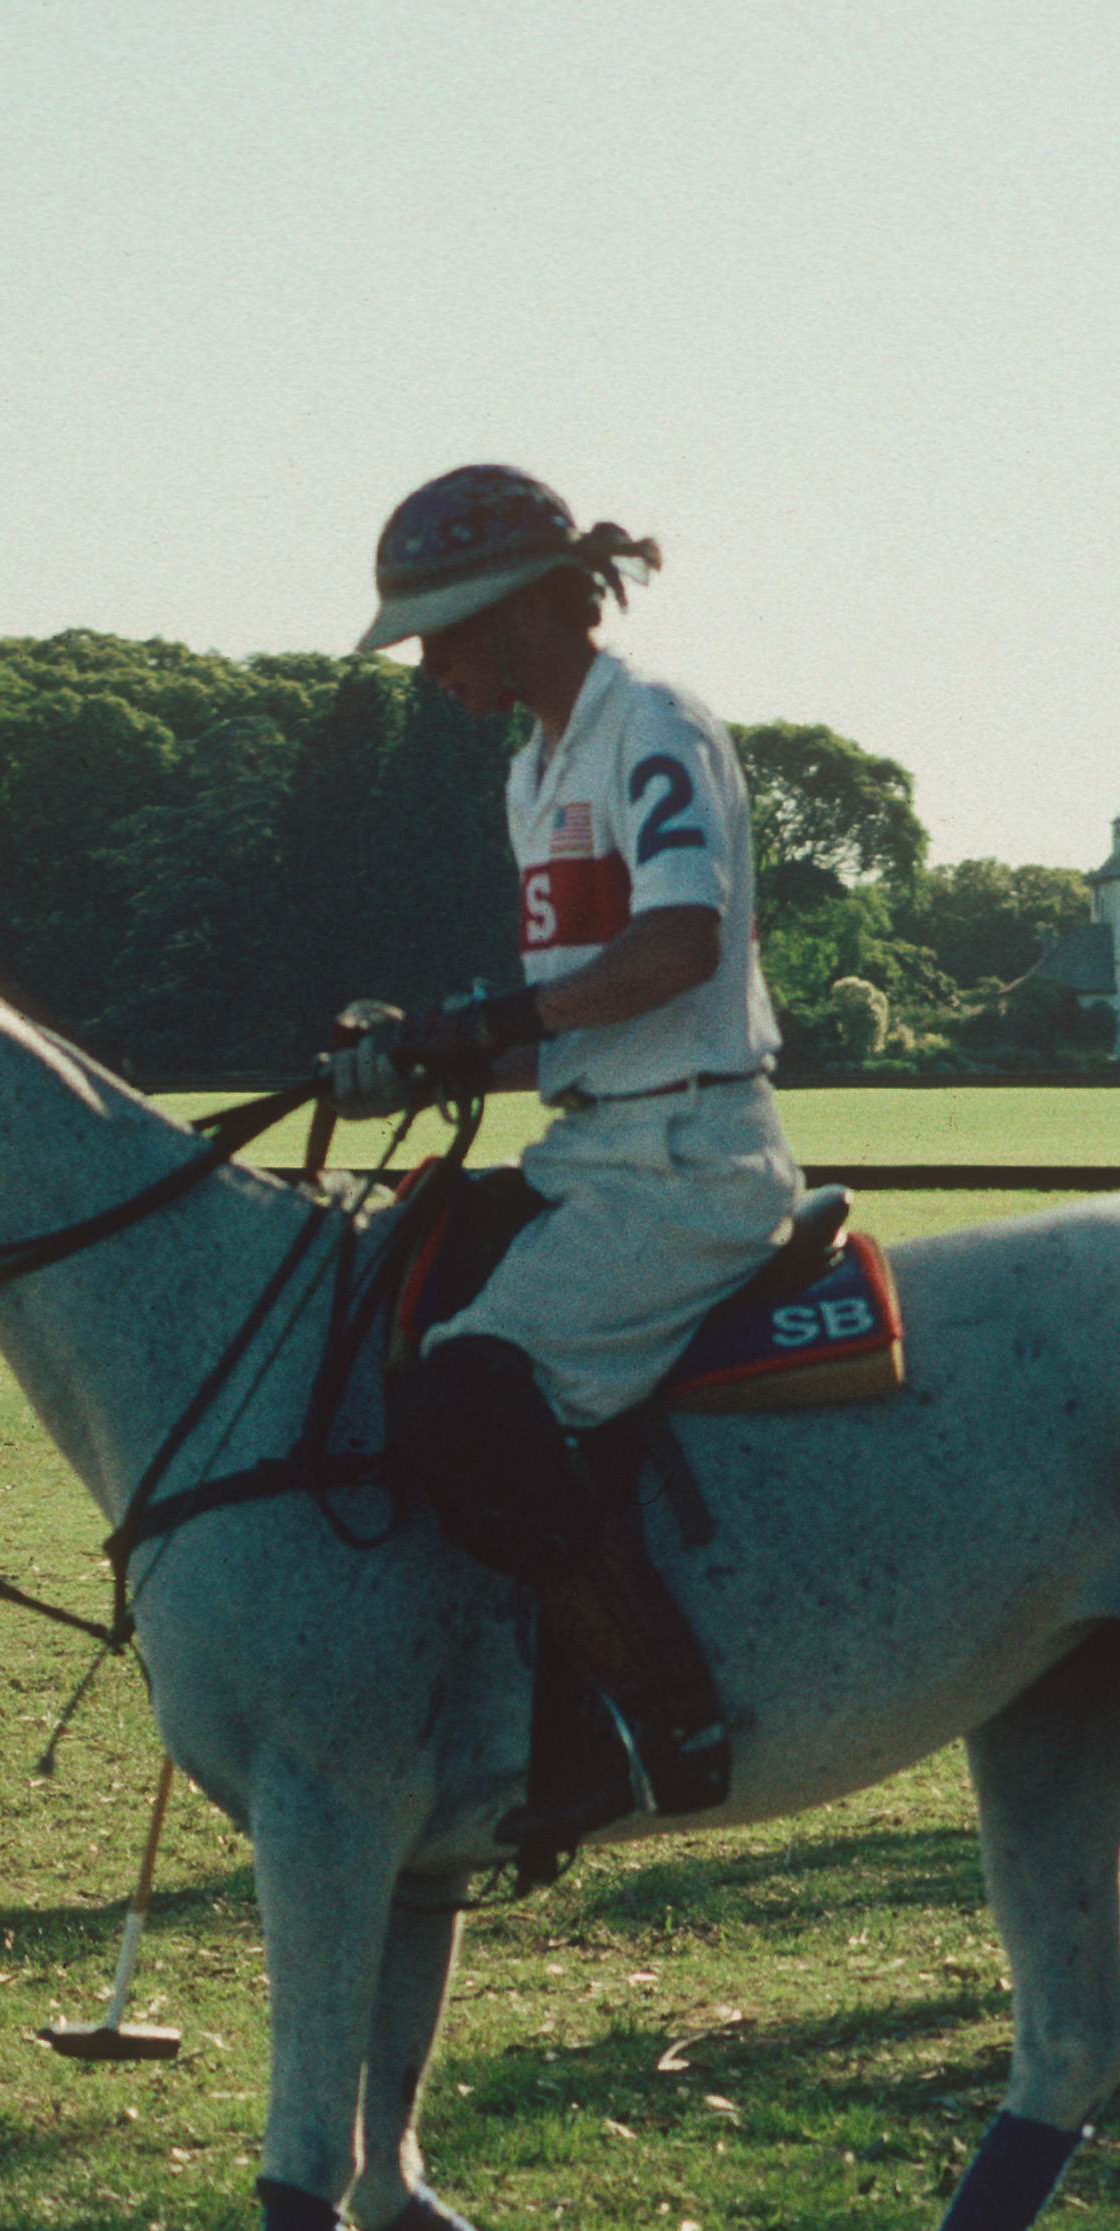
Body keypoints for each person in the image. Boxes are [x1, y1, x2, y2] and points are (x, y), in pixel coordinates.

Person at [332, 465, 804, 1862]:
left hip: (692, 1162)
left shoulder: (647, 726)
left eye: (442, 634)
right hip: (594, 1144)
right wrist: (429, 1053)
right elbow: (573, 1022)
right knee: (384, 1295)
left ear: (518, 607)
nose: (429, 669)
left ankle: (649, 1717)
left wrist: (494, 1019)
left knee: (473, 1393)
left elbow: (677, 950)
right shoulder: (531, 770)